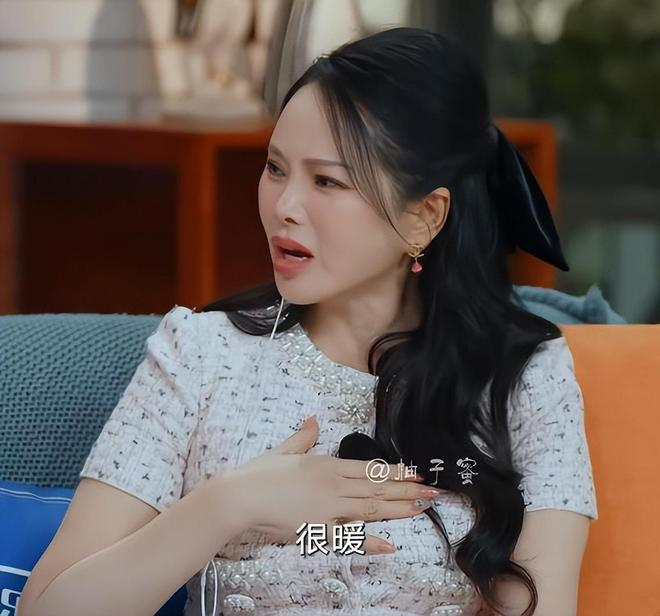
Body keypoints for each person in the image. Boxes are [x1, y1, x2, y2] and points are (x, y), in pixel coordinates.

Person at [19, 27, 597, 616]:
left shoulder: (524, 375)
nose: (284, 207)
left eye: (327, 181)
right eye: (275, 168)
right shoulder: (199, 355)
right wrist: (228, 505)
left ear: (425, 217)